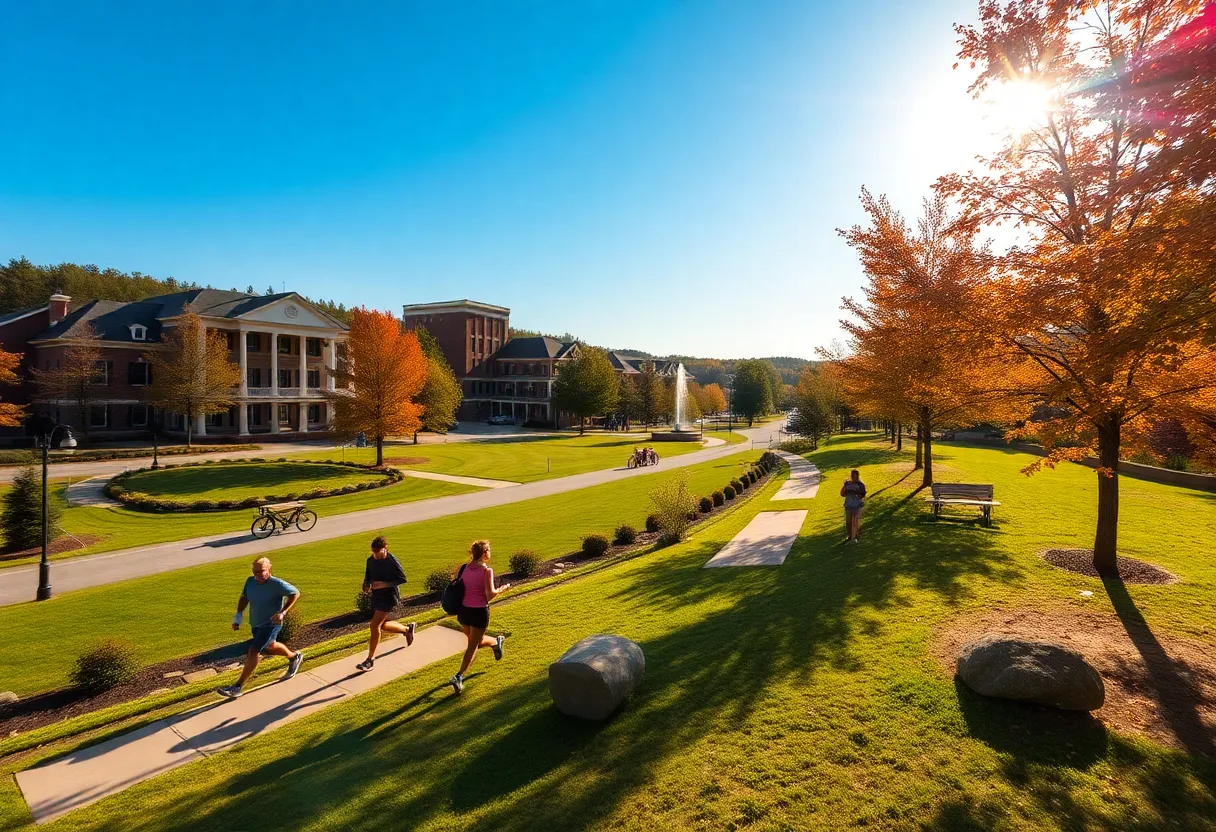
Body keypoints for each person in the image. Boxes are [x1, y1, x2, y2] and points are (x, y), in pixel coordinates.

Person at [217, 557, 303, 699]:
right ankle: (294, 657)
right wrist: (238, 616)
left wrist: (283, 612)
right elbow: (245, 597)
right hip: (256, 623)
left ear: (269, 569)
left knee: (254, 651)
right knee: (269, 647)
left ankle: (236, 687)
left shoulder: (277, 584)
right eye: (255, 572)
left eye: (261, 571)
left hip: (271, 624)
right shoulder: (250, 582)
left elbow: (295, 593)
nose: (258, 575)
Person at [448, 539, 511, 694]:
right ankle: (458, 676)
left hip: (463, 611)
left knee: (473, 642)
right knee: (473, 644)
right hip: (479, 612)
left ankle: (496, 643)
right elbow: (489, 596)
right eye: (489, 550)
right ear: (484, 553)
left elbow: (456, 586)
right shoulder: (486, 571)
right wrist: (502, 589)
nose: (490, 553)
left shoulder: (462, 569)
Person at [356, 535, 416, 672]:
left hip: (389, 596)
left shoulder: (392, 561)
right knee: (382, 625)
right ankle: (407, 630)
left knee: (374, 625)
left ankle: (370, 660)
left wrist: (383, 584)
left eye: (378, 552)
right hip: (376, 596)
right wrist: (366, 585)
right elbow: (368, 578)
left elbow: (402, 579)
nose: (375, 555)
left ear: (385, 549)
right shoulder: (370, 560)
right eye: (373, 552)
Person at [840, 469, 867, 543]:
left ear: (858, 476)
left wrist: (858, 495)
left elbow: (862, 495)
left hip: (857, 505)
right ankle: (849, 535)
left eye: (856, 475)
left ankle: (854, 537)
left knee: (855, 521)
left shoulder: (861, 485)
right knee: (848, 521)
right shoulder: (847, 484)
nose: (854, 477)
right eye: (853, 475)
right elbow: (842, 493)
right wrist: (846, 490)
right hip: (848, 505)